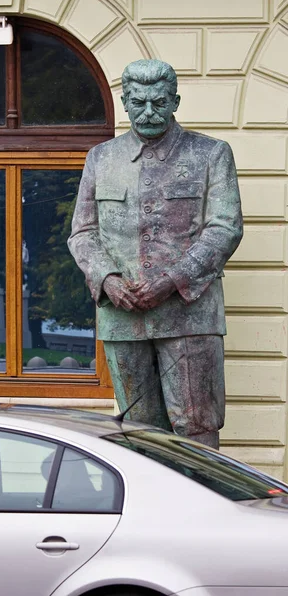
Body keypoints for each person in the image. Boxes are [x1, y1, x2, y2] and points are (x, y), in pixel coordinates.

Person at [68, 59, 243, 449]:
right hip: (121, 316)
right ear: (125, 102)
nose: (149, 112)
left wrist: (172, 280)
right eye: (139, 102)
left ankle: (203, 507)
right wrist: (108, 279)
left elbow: (225, 228)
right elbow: (82, 233)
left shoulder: (210, 154)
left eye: (159, 102)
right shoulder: (101, 158)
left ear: (175, 101)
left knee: (196, 424)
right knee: (137, 432)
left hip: (189, 315)